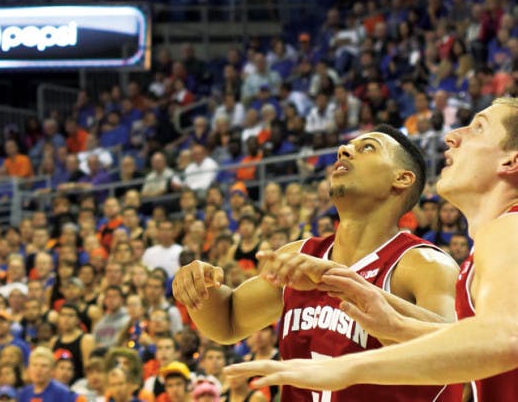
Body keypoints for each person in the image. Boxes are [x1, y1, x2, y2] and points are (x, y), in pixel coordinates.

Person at [219, 97, 518, 401]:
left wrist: (349, 368)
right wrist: (397, 324)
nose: (452, 136)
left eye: (478, 128)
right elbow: (473, 351)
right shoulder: (494, 238)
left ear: (511, 161)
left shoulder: (509, 227)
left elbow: (505, 338)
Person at [172, 125, 460, 402]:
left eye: (367, 147)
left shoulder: (424, 264)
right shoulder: (303, 253)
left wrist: (342, 282)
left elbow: (455, 351)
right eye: (346, 146)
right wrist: (199, 286)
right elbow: (229, 320)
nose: (344, 150)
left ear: (401, 179)